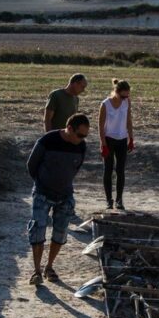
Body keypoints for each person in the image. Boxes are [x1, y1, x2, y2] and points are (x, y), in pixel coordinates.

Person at [26, 113, 91, 285]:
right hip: (42, 193)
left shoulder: (81, 146)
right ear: (69, 128)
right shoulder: (47, 140)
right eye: (80, 135)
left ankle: (49, 267)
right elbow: (31, 165)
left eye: (85, 136)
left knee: (60, 232)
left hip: (65, 195)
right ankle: (37, 270)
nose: (82, 139)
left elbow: (75, 168)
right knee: (38, 229)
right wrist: (43, 183)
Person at [98, 78, 134, 210]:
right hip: (108, 139)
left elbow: (128, 120)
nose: (125, 98)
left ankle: (119, 200)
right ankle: (109, 200)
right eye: (123, 95)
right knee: (108, 170)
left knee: (120, 171)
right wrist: (103, 143)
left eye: (127, 95)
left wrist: (131, 138)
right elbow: (100, 125)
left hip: (122, 139)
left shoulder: (127, 102)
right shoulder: (105, 104)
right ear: (116, 92)